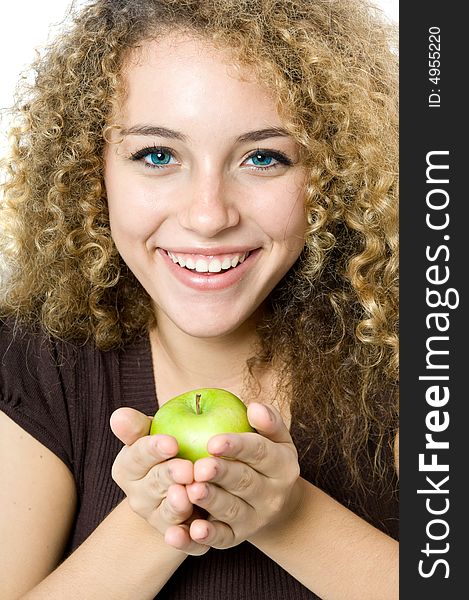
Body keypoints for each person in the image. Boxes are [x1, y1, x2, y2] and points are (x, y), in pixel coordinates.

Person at [0, 0, 399, 598]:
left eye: (263, 157)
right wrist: (151, 520)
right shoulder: (33, 362)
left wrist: (286, 515)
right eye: (157, 156)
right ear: (93, 170)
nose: (208, 215)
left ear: (334, 175)